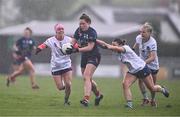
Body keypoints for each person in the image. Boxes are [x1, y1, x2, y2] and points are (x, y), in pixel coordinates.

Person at [97, 38, 169, 109]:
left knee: (152, 88)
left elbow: (109, 46)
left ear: (120, 45)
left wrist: (108, 46)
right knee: (125, 84)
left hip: (142, 69)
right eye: (112, 45)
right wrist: (95, 40)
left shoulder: (125, 48)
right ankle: (129, 104)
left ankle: (162, 89)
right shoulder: (117, 51)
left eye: (114, 45)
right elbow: (105, 45)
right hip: (133, 71)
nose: (113, 47)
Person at [66, 13, 103, 107]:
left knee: (86, 76)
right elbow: (73, 41)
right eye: (80, 24)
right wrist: (68, 47)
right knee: (87, 78)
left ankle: (86, 99)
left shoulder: (92, 32)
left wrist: (76, 49)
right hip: (84, 56)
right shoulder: (78, 31)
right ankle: (98, 95)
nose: (81, 25)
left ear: (88, 23)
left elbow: (90, 47)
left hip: (94, 55)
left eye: (83, 24)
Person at [35, 23, 72, 105]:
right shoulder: (51, 40)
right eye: (59, 29)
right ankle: (65, 87)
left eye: (62, 29)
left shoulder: (69, 39)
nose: (61, 30)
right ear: (56, 31)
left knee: (68, 84)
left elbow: (76, 46)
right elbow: (44, 45)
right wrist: (38, 49)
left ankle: (66, 101)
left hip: (66, 65)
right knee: (60, 87)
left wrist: (76, 49)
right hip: (56, 66)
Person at [133, 22, 159, 107]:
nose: (141, 34)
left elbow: (152, 58)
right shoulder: (139, 38)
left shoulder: (152, 42)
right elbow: (136, 44)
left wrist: (142, 62)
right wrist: (132, 50)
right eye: (141, 32)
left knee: (152, 86)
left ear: (149, 33)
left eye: (144, 32)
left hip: (153, 66)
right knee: (140, 81)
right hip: (143, 65)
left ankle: (153, 99)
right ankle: (145, 99)